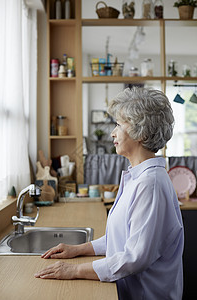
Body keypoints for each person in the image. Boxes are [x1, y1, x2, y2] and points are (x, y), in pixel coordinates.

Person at [35, 87, 184, 300]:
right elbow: (121, 239)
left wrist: (74, 270)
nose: (112, 132)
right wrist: (78, 249)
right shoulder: (140, 177)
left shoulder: (150, 184)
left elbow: (134, 258)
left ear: (140, 133)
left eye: (118, 125)